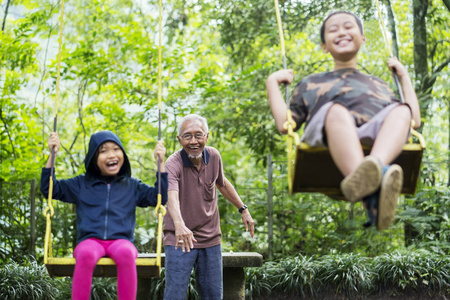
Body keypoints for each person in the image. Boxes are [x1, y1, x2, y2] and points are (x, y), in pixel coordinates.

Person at [266, 11, 421, 230]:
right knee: (336, 111)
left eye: (348, 27)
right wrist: (272, 83)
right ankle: (375, 180)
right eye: (333, 30)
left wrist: (403, 77)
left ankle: (372, 171)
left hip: (373, 141)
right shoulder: (311, 83)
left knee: (402, 111)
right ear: (324, 46)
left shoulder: (380, 85)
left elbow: (413, 120)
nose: (342, 32)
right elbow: (285, 124)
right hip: (327, 137)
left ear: (363, 38)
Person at [40, 130, 168, 300]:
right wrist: (52, 155)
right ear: (94, 158)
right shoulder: (81, 184)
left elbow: (159, 197)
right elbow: (50, 189)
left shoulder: (132, 186)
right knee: (85, 254)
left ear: (123, 153)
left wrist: (161, 162)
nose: (111, 155)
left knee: (127, 253)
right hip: (90, 241)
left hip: (121, 241)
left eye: (116, 149)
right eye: (103, 151)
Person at [162, 114, 255, 300]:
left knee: (213, 295)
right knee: (175, 296)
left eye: (198, 135)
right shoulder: (172, 164)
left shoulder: (213, 156)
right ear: (179, 139)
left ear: (207, 136)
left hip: (211, 238)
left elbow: (222, 183)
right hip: (180, 239)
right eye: (187, 136)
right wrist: (179, 225)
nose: (194, 141)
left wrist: (243, 209)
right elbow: (170, 196)